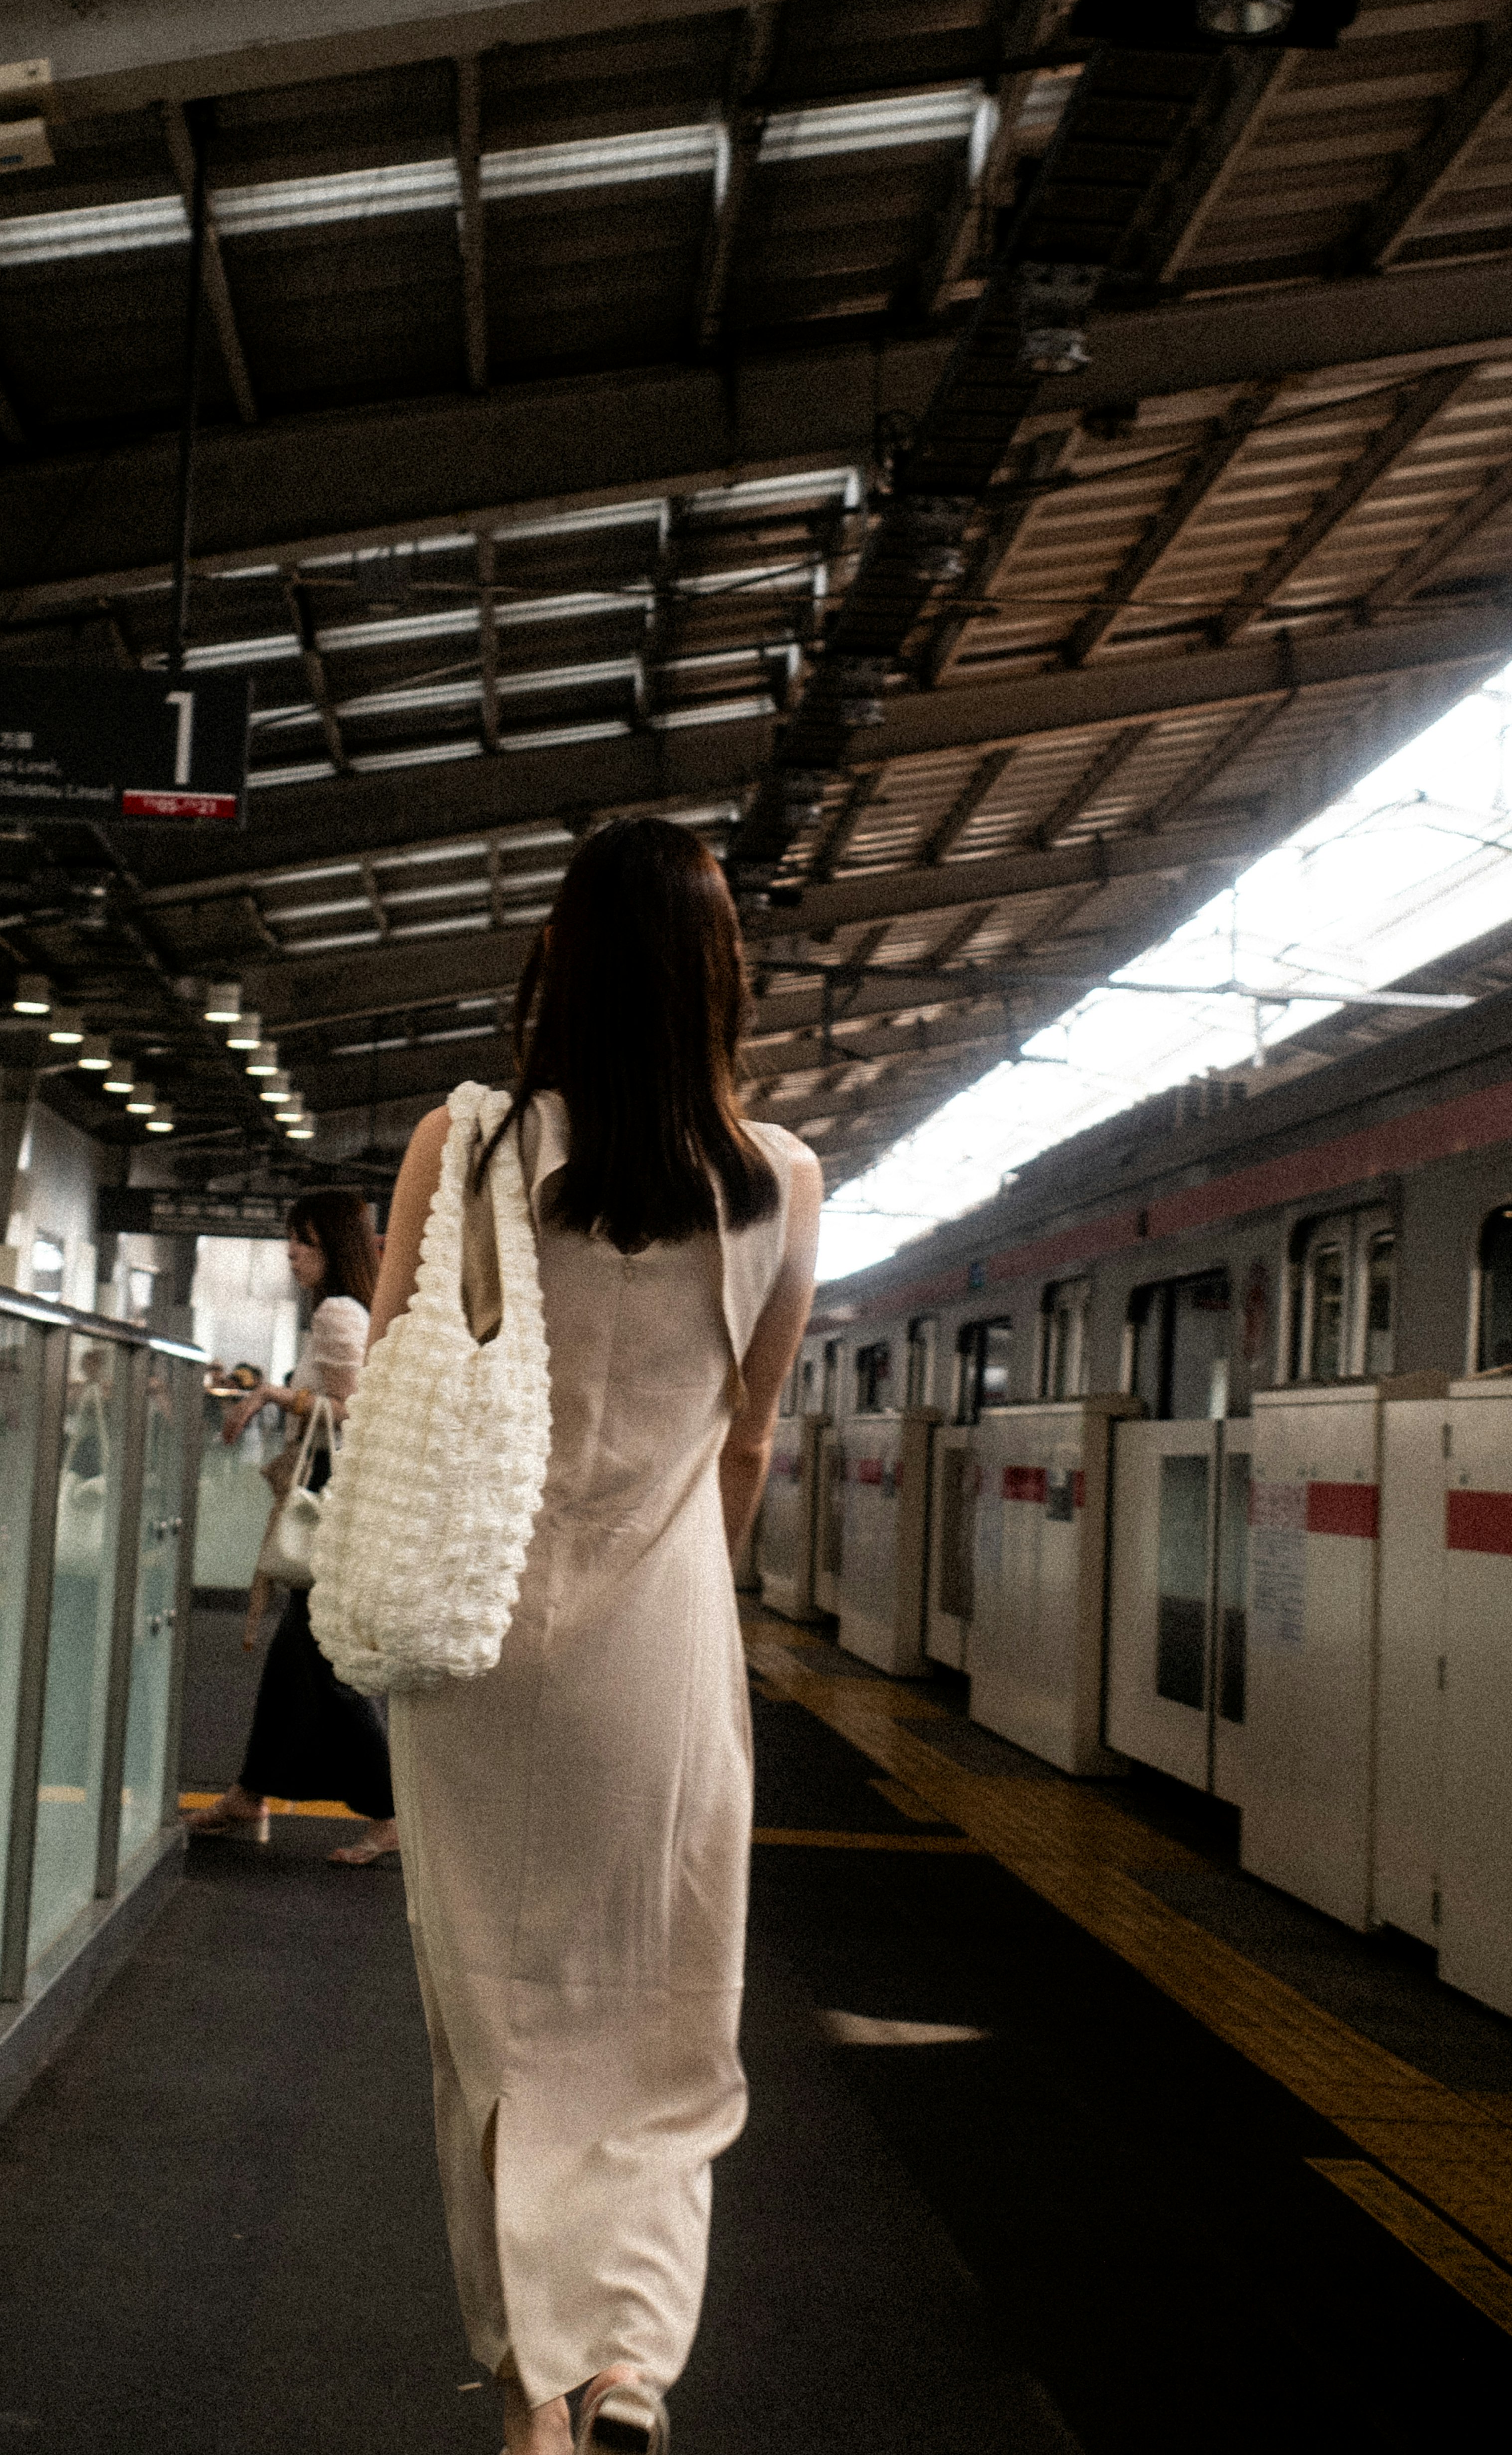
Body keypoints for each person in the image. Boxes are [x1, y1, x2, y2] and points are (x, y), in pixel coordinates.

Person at [371, 817, 820, 2455]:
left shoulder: (465, 1148)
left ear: (555, 961)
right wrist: (685, 1579)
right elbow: (753, 1436)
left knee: (493, 2021)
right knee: (660, 2015)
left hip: (479, 1639)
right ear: (724, 978)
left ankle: (530, 2399)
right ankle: (630, 2361)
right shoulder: (781, 1184)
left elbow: (414, 1386)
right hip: (666, 1650)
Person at [188, 1191, 398, 1866]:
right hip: (332, 1496)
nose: (291, 1252)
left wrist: (275, 1395)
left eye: (304, 1240)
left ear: (333, 1246)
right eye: (289, 1238)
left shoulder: (340, 1313)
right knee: (296, 1662)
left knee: (324, 1665)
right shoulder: (341, 1310)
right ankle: (251, 1791)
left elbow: (355, 1410)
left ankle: (392, 1811)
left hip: (331, 1504)